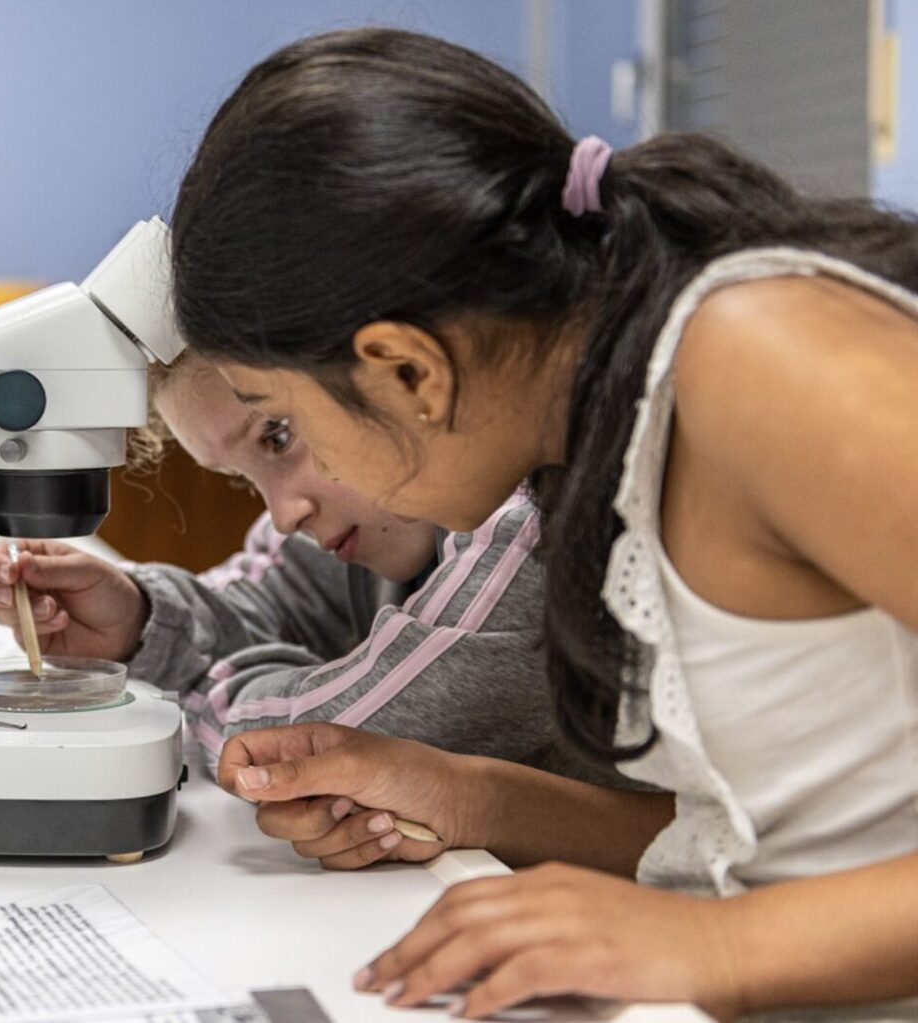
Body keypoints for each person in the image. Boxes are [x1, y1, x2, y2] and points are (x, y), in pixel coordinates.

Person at [172, 26, 918, 1023]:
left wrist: (718, 946)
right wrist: (464, 797)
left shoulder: (757, 361)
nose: (297, 493)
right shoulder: (598, 432)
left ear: (407, 371)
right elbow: (773, 840)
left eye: (286, 425)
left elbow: (749, 913)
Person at [0, 351, 618, 792]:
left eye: (278, 437)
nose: (283, 513)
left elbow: (344, 735)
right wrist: (136, 625)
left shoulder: (535, 511)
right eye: (243, 481)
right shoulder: (366, 507)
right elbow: (268, 596)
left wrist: (172, 688)